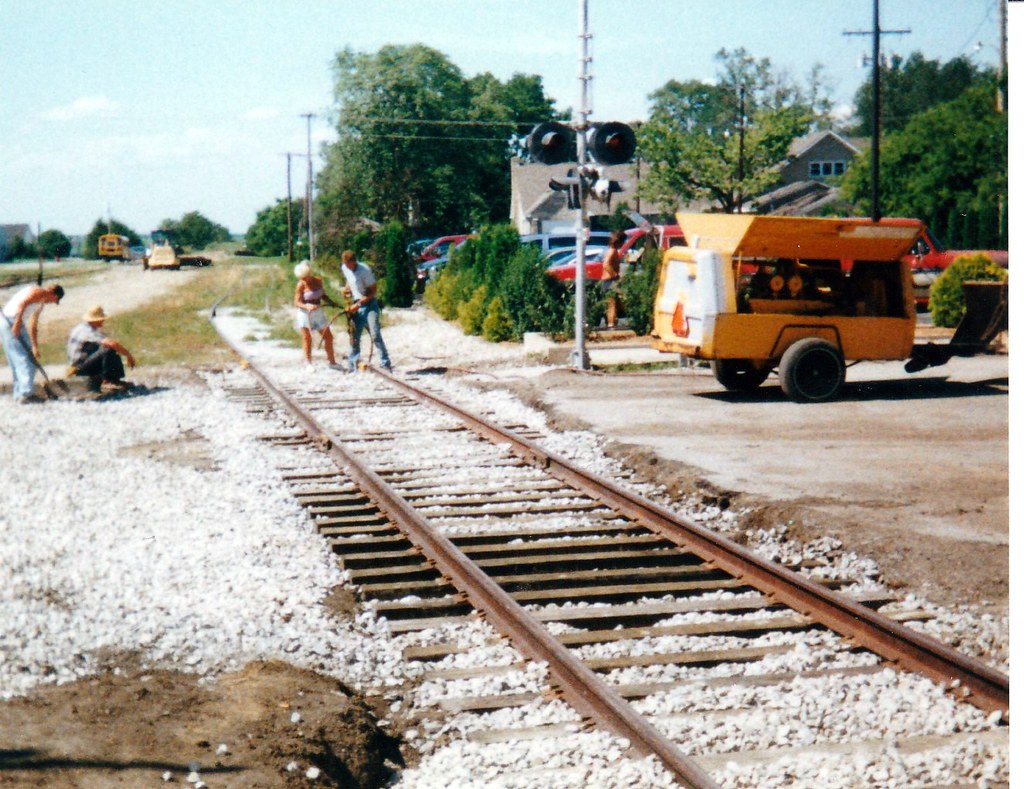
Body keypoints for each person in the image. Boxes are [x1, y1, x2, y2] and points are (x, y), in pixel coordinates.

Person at [1, 283, 64, 403]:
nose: (52, 303)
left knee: (16, 359)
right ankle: (26, 394)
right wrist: (17, 323)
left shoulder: (40, 301)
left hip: (7, 321)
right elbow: (22, 303)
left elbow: (33, 325)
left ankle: (19, 393)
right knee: (26, 360)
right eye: (55, 300)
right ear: (54, 294)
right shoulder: (38, 292)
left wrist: (34, 346)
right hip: (11, 321)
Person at [340, 250, 392, 371]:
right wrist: (347, 289)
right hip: (356, 304)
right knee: (354, 336)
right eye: (345, 264)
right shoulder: (345, 268)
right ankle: (352, 364)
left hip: (369, 305)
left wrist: (359, 303)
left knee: (375, 334)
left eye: (349, 264)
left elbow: (373, 291)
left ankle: (385, 363)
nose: (347, 267)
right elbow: (349, 279)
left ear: (354, 262)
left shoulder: (365, 271)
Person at [66, 305, 137, 393]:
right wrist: (128, 355)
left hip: (80, 364)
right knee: (108, 350)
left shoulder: (81, 328)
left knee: (110, 351)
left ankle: (114, 379)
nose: (103, 321)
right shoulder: (87, 331)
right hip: (79, 367)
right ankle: (108, 381)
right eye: (101, 319)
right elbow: (111, 343)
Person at [293, 260, 344, 369]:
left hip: (318, 312)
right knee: (307, 338)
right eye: (302, 277)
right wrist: (307, 306)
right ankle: (308, 363)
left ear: (309, 274)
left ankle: (332, 362)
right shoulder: (301, 284)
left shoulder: (318, 281)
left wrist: (330, 302)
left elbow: (323, 295)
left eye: (305, 277)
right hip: (305, 313)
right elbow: (297, 302)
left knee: (328, 336)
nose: (304, 279)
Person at [600, 229, 627, 329]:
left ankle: (612, 322)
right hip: (609, 280)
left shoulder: (611, 250)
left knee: (617, 301)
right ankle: (611, 325)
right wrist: (615, 274)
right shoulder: (612, 251)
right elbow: (606, 265)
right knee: (612, 303)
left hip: (609, 280)